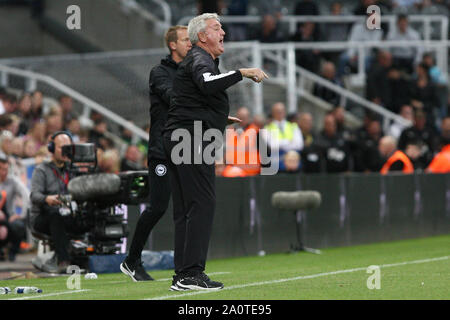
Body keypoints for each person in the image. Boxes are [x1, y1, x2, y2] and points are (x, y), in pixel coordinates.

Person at [163, 13, 267, 291]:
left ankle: (183, 274)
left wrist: (217, 117)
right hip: (190, 140)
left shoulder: (197, 60)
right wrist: (242, 72)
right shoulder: (200, 58)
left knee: (186, 209)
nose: (223, 32)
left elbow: (187, 97)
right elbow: (208, 83)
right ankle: (191, 274)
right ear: (202, 36)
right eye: (216, 28)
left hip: (180, 137)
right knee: (202, 204)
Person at [120, 25, 192, 282]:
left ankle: (187, 267)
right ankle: (132, 260)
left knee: (187, 208)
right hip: (162, 149)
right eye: (185, 40)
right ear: (173, 45)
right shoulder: (159, 72)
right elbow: (174, 98)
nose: (190, 44)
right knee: (158, 206)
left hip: (185, 149)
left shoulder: (191, 70)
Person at [30, 131, 78, 273]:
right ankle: (64, 261)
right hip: (42, 217)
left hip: (68, 213)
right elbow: (34, 195)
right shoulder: (41, 170)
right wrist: (47, 198)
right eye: (61, 147)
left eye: (68, 148)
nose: (65, 151)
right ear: (51, 148)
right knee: (56, 216)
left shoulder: (74, 170)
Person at [0, 154, 28, 261]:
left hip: (9, 217)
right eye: (1, 169)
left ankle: (12, 252)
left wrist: (21, 215)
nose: (4, 172)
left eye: (6, 169)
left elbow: (26, 195)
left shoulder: (13, 181)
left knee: (19, 225)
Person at [262, 102, 303, 172]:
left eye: (281, 111)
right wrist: (289, 142)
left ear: (284, 112)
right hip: (277, 160)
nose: (280, 113)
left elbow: (299, 145)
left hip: (294, 159)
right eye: (277, 111)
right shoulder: (267, 128)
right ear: (273, 113)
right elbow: (272, 146)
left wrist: (280, 143)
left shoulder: (293, 126)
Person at [224, 107, 261, 176]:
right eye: (240, 117)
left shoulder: (256, 131)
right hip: (233, 167)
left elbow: (265, 151)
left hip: (250, 169)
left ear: (249, 118)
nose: (242, 120)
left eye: (244, 117)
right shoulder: (231, 130)